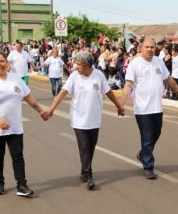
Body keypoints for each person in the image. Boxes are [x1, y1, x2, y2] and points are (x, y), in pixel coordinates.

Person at [41, 52, 124, 190]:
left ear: (87, 65)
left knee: (91, 147)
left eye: (78, 64)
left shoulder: (99, 75)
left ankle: (84, 170)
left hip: (94, 118)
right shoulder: (74, 76)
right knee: (84, 146)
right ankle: (89, 175)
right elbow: (62, 93)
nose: (76, 66)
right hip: (78, 119)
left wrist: (118, 106)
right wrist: (51, 109)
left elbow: (108, 92)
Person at [0, 52, 46, 196]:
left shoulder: (16, 79)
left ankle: (22, 185)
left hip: (15, 126)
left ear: (7, 63)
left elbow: (28, 97)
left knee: (18, 156)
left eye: (2, 61)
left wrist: (41, 111)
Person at [120, 38, 178, 179]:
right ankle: (148, 166)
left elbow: (169, 80)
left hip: (157, 107)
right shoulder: (134, 64)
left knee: (156, 134)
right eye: (147, 47)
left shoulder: (159, 61)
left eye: (152, 47)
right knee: (148, 137)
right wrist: (121, 103)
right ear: (141, 48)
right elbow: (128, 85)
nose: (150, 49)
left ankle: (143, 153)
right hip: (142, 109)